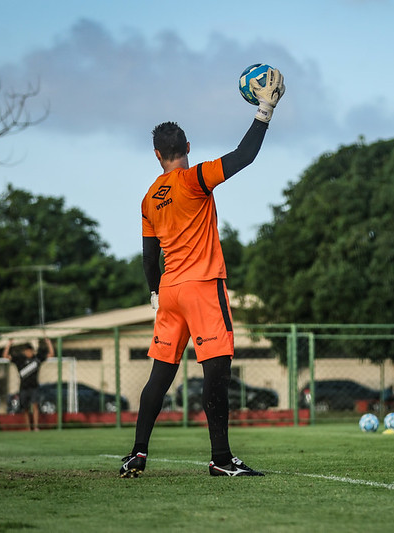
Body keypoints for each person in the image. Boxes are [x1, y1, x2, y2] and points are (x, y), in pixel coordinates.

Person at [119, 67, 285, 478]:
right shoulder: (195, 180)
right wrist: (265, 109)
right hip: (202, 287)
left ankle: (137, 453)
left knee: (160, 375)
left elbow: (148, 255)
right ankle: (222, 460)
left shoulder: (148, 198)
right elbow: (243, 157)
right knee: (217, 372)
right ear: (187, 146)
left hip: (169, 292)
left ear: (157, 154)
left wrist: (154, 291)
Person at [3, 338, 55, 431]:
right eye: (27, 351)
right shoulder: (19, 359)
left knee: (35, 406)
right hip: (23, 387)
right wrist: (9, 344)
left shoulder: (37, 359)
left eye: (30, 351)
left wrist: (49, 343)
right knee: (25, 408)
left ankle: (35, 426)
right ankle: (28, 427)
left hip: (34, 387)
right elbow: (5, 356)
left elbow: (51, 354)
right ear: (24, 352)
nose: (28, 353)